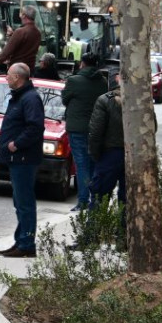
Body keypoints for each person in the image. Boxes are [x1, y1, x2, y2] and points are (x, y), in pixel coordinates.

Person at [0, 62, 45, 258]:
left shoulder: (30, 98)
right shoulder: (20, 97)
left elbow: (35, 127)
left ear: (18, 77)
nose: (6, 78)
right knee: (20, 202)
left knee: (25, 202)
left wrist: (16, 144)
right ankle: (21, 241)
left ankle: (26, 244)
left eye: (9, 74)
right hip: (17, 158)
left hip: (23, 157)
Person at [60, 52, 103, 213]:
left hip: (77, 128)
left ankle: (83, 200)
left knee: (81, 164)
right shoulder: (102, 82)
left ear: (82, 64)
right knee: (93, 164)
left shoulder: (74, 81)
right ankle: (95, 200)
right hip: (96, 129)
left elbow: (64, 99)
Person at [89, 75, 126, 208]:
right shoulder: (139, 100)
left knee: (100, 197)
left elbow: (96, 132)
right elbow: (153, 126)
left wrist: (95, 155)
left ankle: (96, 228)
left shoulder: (104, 100)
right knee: (127, 200)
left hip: (109, 154)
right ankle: (124, 228)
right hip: (133, 155)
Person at [0, 6, 41, 78]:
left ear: (24, 15)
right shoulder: (38, 32)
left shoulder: (20, 32)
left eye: (21, 14)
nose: (20, 16)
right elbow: (25, 46)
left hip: (16, 71)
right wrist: (13, 34)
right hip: (29, 70)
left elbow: (6, 52)